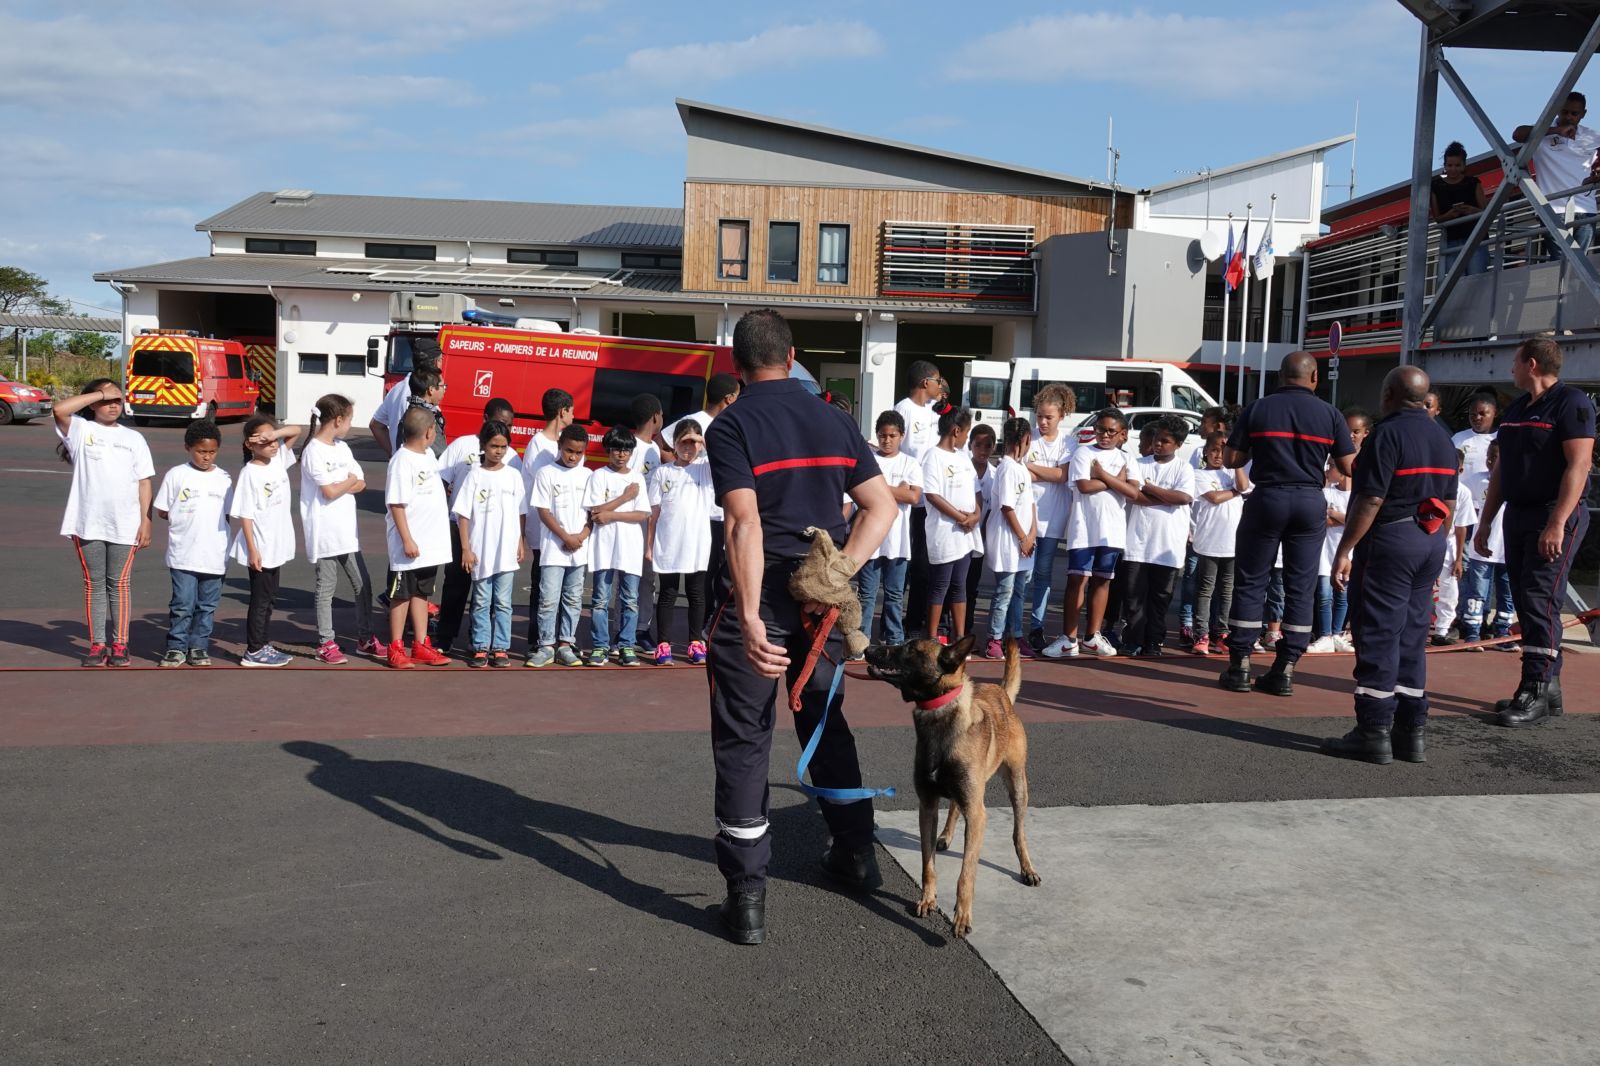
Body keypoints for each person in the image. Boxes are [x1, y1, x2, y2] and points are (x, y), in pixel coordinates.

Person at [703, 308, 896, 946]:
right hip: (821, 605)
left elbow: (743, 524)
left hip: (765, 595)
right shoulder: (835, 418)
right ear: (793, 358)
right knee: (825, 721)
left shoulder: (730, 425)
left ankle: (747, 897)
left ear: (737, 365)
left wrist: (753, 615)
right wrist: (838, 571)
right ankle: (855, 853)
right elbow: (881, 506)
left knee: (745, 739)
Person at [1324, 367, 1458, 764]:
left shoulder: (1387, 434)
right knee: (1413, 634)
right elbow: (1449, 503)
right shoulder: (1443, 437)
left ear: (1389, 394)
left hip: (1392, 540)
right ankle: (1410, 730)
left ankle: (1373, 730)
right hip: (1430, 537)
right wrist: (1435, 541)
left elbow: (1370, 499)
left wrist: (1345, 549)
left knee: (1379, 633)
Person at [1472, 337, 1595, 724]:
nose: (1510, 369)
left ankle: (1534, 690)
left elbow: (1579, 465)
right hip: (1517, 514)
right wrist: (1486, 521)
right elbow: (1501, 471)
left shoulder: (1571, 403)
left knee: (1540, 597)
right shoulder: (1517, 409)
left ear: (1532, 364)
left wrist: (1557, 522)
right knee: (1526, 599)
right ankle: (1549, 687)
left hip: (1552, 513)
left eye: (1514, 363)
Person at [1220, 352, 1355, 695]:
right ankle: (1285, 669)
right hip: (1310, 501)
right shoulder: (1330, 414)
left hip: (1267, 497)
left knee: (1251, 580)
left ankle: (1240, 665)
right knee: (1301, 584)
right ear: (1314, 379)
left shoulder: (1258, 408)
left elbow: (1232, 458)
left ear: (1280, 376)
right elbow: (1349, 465)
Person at [53, 379, 154, 667]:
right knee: (94, 584)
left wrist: (145, 520)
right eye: (107, 400)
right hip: (87, 521)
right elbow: (59, 410)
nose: (112, 405)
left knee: (119, 583)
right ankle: (98, 644)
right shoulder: (81, 430)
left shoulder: (134, 438)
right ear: (93, 402)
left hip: (125, 523)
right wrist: (100, 392)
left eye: (117, 400)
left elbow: (144, 481)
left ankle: (120, 644)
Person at [1042, 408, 1139, 658]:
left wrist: (1103, 475)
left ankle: (1092, 637)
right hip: (1083, 528)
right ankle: (1069, 639)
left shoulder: (1127, 459)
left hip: (1112, 531)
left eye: (1110, 431)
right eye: (1100, 430)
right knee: (1077, 580)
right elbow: (1084, 486)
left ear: (1123, 434)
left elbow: (1133, 492)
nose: (1104, 435)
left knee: (1102, 580)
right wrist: (1117, 481)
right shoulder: (1083, 453)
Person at [435, 397, 521, 655]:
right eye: (499, 422)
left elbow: (518, 505)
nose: (504, 428)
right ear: (485, 419)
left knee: (495, 594)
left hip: (497, 532)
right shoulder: (462, 445)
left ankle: (489, 643)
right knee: (456, 585)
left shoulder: (513, 458)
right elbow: (441, 480)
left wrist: (519, 539)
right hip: (461, 527)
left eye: (508, 425)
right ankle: (445, 637)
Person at [300, 394, 380, 664]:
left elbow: (361, 482)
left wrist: (347, 483)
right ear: (338, 420)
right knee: (326, 588)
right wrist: (347, 482)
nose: (349, 426)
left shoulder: (342, 448)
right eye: (349, 420)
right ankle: (326, 642)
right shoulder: (313, 451)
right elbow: (330, 491)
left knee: (363, 584)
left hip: (347, 532)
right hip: (324, 532)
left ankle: (365, 638)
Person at [451, 420, 528, 669]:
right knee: (482, 600)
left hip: (506, 552)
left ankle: (501, 647)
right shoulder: (474, 475)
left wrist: (520, 540)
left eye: (503, 446)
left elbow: (521, 512)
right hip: (481, 551)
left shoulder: (514, 476)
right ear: (483, 445)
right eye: (494, 445)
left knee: (503, 602)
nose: (498, 451)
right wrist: (466, 547)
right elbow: (463, 514)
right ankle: (481, 645)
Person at [154, 421, 230, 668]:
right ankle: (176, 647)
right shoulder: (177, 475)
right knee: (182, 605)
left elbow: (228, 514)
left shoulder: (225, 479)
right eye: (201, 451)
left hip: (215, 556)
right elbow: (163, 510)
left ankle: (198, 646)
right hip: (183, 554)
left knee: (206, 606)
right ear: (188, 448)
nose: (206, 457)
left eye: (211, 452)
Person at [1119, 415, 1195, 656]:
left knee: (1160, 598)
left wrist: (1150, 488)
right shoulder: (1138, 463)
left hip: (1167, 546)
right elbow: (1133, 495)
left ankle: (1154, 641)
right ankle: (1133, 639)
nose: (1158, 444)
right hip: (1137, 543)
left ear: (1179, 445)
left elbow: (1183, 498)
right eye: (1156, 439)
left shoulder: (1184, 468)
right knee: (1133, 598)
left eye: (1165, 441)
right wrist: (1165, 496)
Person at [229, 415, 302, 668]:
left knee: (270, 598)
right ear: (250, 444)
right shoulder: (250, 473)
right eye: (264, 439)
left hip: (277, 543)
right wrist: (252, 549)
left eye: (273, 438)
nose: (272, 444)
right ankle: (254, 650)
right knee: (260, 600)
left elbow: (297, 431)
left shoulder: (278, 459)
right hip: (260, 545)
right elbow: (245, 515)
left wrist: (274, 434)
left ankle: (262, 643)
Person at [383, 407, 453, 669]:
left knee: (423, 593)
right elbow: (397, 504)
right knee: (402, 594)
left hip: (429, 545)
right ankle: (396, 646)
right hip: (408, 546)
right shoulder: (402, 460)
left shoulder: (428, 457)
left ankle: (421, 644)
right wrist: (407, 540)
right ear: (428, 432)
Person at [525, 424, 594, 668]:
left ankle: (566, 644)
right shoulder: (546, 473)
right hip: (554, 549)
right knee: (548, 598)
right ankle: (545, 645)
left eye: (578, 452)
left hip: (579, 550)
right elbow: (543, 511)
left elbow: (593, 513)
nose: (573, 457)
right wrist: (565, 536)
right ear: (559, 447)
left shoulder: (587, 476)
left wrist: (582, 535)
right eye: (568, 451)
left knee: (573, 598)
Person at [648, 420, 715, 665]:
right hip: (668, 543)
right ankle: (663, 645)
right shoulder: (662, 472)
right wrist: (649, 545)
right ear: (674, 444)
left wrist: (702, 440)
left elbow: (720, 457)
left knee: (697, 594)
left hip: (697, 544)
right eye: (684, 442)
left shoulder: (705, 468)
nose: (689, 447)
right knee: (668, 593)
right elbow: (653, 513)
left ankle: (695, 643)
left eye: (694, 442)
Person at [855, 410, 922, 649]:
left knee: (894, 595)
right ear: (877, 435)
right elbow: (862, 489)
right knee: (867, 594)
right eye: (882, 435)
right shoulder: (869, 460)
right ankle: (860, 641)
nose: (887, 440)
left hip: (898, 541)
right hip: (870, 539)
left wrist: (880, 487)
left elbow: (913, 496)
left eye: (892, 435)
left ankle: (894, 641)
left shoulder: (910, 463)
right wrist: (897, 490)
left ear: (901, 436)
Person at [585, 426, 651, 666]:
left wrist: (611, 515)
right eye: (616, 449)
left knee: (630, 599)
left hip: (630, 547)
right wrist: (624, 499)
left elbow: (642, 513)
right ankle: (601, 646)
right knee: (600, 600)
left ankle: (626, 645)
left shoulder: (637, 478)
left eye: (626, 450)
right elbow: (595, 511)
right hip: (603, 547)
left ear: (631, 452)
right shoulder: (598, 476)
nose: (621, 454)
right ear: (608, 451)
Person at [920, 407, 983, 642]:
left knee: (960, 585)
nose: (967, 438)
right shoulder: (933, 456)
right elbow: (932, 495)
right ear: (956, 431)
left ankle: (959, 636)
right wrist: (960, 517)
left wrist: (975, 515)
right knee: (940, 586)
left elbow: (977, 492)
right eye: (966, 432)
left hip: (965, 534)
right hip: (945, 532)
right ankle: (932, 637)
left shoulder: (962, 457)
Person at [1513, 91, 1600, 257]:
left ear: (1583, 114)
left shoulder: (1592, 136)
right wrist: (1556, 130)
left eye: (1574, 113)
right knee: (1561, 262)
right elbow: (1517, 134)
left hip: (1586, 207)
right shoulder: (1542, 132)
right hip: (1552, 209)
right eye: (1564, 112)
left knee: (1580, 264)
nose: (1569, 117)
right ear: (1558, 110)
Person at [521, 388, 575, 654]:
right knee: (543, 585)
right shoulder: (540, 445)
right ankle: (538, 639)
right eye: (572, 410)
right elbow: (537, 486)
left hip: (566, 525)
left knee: (565, 586)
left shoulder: (564, 443)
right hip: (543, 526)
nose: (574, 416)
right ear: (562, 411)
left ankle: (561, 639)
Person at [1023, 384, 1076, 654]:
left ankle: (1036, 627)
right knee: (1023, 574)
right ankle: (1013, 629)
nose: (1042, 422)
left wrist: (1031, 466)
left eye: (1048, 417)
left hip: (1053, 518)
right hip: (1026, 518)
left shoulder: (1069, 443)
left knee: (1042, 575)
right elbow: (1021, 475)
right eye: (1039, 416)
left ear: (1062, 415)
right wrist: (1046, 471)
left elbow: (1061, 476)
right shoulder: (1027, 438)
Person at [983, 417, 1037, 660]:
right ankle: (994, 639)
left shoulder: (1022, 468)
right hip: (1008, 539)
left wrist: (1032, 534)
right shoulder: (1006, 467)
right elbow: (1007, 506)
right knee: (1004, 590)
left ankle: (1014, 636)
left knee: (1019, 592)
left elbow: (1031, 505)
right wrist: (1022, 536)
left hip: (1024, 542)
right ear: (1024, 440)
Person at [895, 360, 942, 636]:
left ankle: (914, 623)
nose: (940, 386)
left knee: (924, 566)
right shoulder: (904, 409)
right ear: (926, 382)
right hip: (907, 500)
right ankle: (893, 623)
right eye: (938, 380)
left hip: (930, 503)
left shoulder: (934, 414)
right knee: (903, 563)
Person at [1190, 432, 1244, 657]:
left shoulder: (1231, 474)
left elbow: (1244, 484)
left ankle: (1221, 633)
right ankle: (1201, 634)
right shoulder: (1198, 474)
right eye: (1213, 450)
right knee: (1205, 589)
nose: (1218, 455)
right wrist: (1235, 491)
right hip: (1209, 542)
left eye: (1223, 451)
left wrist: (1236, 461)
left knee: (1227, 591)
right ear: (1205, 452)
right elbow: (1214, 497)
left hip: (1232, 544)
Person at [1460, 440, 1517, 650]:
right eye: (1490, 457)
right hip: (1481, 550)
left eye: (1498, 457)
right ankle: (1473, 633)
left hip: (1507, 549)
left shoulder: (1518, 482)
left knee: (1507, 593)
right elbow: (1471, 510)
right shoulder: (1477, 481)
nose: (1492, 461)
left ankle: (1502, 633)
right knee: (1477, 591)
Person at [1430, 453, 1477, 647]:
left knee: (1448, 589)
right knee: (1417, 586)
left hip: (1447, 545)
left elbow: (1461, 527)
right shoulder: (1428, 485)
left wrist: (1458, 559)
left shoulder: (1463, 492)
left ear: (1460, 470)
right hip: (1422, 539)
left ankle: (1441, 630)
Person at [1307, 463, 1352, 655]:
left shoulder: (1356, 495)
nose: (1326, 471)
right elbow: (1318, 518)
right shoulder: (1326, 492)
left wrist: (1334, 514)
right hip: (1325, 553)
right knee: (1324, 596)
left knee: (1342, 596)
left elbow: (1358, 518)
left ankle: (1337, 634)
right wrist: (1342, 519)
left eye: (1331, 467)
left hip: (1347, 553)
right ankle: (1325, 635)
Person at [367, 345, 441, 459]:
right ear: (436, 363)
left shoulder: (397, 389)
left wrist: (393, 453)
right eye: (441, 360)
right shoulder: (416, 395)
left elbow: (375, 425)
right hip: (418, 471)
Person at [1431, 141, 1490, 279]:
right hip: (1451, 239)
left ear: (1464, 165)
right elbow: (1437, 217)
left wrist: (1470, 210)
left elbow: (1485, 211)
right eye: (1449, 165)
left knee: (1476, 277)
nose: (1453, 169)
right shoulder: (1436, 186)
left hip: (1475, 237)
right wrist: (1451, 215)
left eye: (1457, 165)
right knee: (1456, 281)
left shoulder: (1473, 182)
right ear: (1444, 166)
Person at [962, 423, 998, 619]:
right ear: (970, 445)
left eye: (987, 446)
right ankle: (944, 627)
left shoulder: (995, 475)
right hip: (960, 535)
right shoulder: (963, 469)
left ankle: (966, 629)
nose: (982, 451)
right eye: (978, 445)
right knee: (952, 586)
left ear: (994, 447)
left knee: (971, 587)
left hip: (979, 541)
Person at [1452, 393, 1498, 479]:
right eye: (1472, 414)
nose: (1477, 417)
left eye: (1482, 413)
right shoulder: (1458, 438)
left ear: (1495, 413)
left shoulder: (1502, 439)